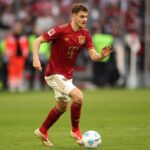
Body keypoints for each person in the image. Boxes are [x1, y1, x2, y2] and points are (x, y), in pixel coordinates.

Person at [33, 3, 112, 147]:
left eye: (86, 17)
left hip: (67, 76)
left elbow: (93, 56)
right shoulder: (61, 30)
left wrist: (101, 55)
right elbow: (38, 40)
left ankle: (42, 131)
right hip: (54, 74)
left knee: (62, 107)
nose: (85, 19)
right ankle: (75, 130)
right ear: (73, 16)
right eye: (82, 16)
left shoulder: (85, 34)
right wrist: (36, 59)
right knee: (79, 96)